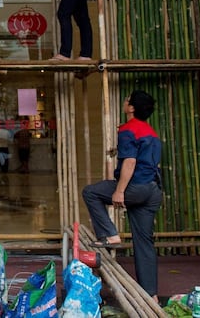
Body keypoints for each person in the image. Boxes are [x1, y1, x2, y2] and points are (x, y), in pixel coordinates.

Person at [81, 90, 163, 302]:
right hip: (153, 189)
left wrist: (119, 191)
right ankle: (151, 294)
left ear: (132, 108)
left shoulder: (129, 129)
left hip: (136, 187)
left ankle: (109, 234)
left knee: (90, 192)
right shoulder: (151, 132)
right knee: (144, 242)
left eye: (127, 100)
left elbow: (130, 162)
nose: (124, 102)